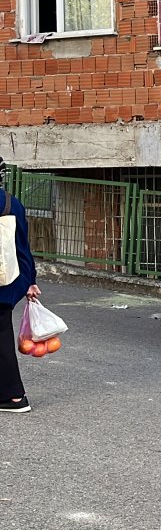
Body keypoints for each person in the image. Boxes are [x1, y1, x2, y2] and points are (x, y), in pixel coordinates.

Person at [0, 164, 40, 413]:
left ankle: (15, 395)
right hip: (8, 280)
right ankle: (13, 396)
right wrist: (30, 280)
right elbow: (22, 246)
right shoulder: (11, 203)